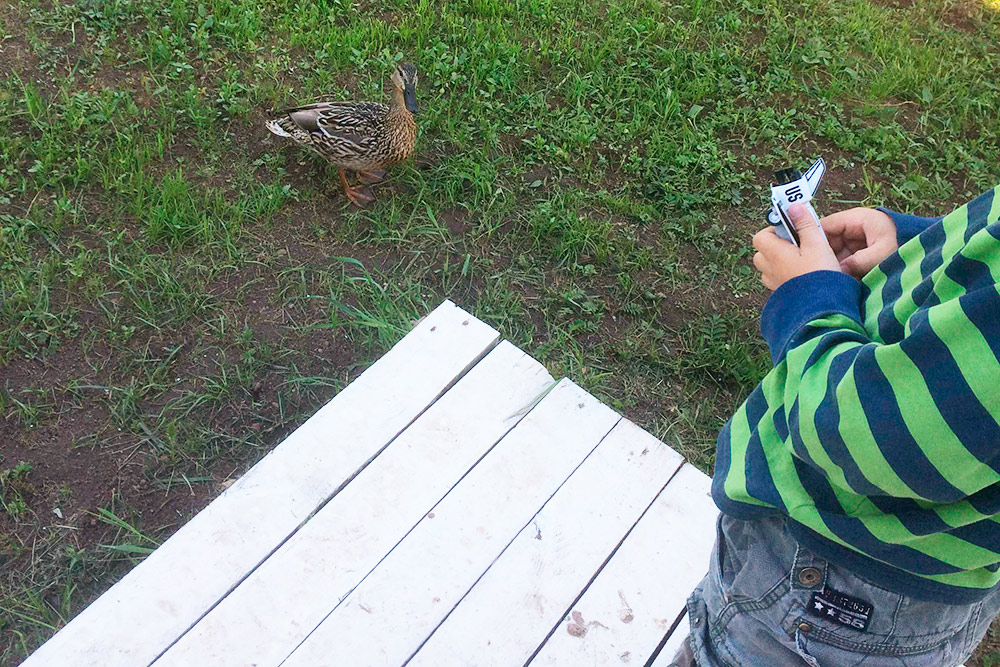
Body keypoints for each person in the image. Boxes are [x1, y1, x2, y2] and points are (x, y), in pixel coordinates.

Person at [672, 185, 1000, 666]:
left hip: (831, 577)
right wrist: (916, 243)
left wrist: (810, 299)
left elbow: (867, 434)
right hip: (943, 581)